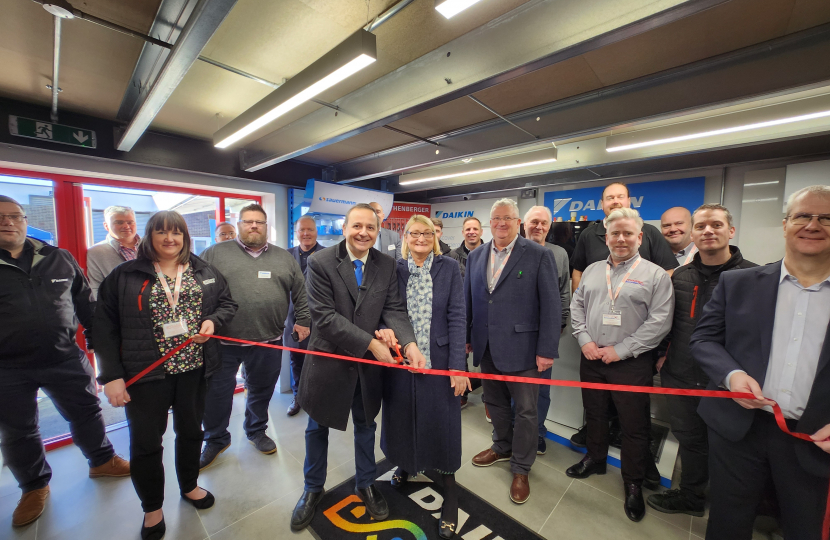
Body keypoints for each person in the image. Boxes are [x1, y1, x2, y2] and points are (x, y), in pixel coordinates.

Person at [691, 185, 830, 540]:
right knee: (727, 522)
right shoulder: (738, 283)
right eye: (802, 216)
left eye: (826, 217)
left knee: (805, 527)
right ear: (785, 224)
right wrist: (732, 375)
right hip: (738, 428)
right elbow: (704, 338)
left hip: (813, 436)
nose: (813, 225)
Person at [95, 211, 237, 540]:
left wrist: (213, 321)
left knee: (191, 432)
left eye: (176, 232)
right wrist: (111, 376)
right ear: (150, 236)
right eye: (161, 232)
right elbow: (103, 329)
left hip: (194, 370)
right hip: (145, 374)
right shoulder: (125, 275)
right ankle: (152, 507)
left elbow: (228, 304)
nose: (169, 239)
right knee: (146, 443)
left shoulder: (203, 270)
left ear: (185, 236)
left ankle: (189, 485)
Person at [290, 203, 426, 532]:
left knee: (366, 427)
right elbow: (324, 318)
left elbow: (394, 309)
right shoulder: (320, 262)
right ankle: (312, 489)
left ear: (378, 231)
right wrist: (372, 344)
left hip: (367, 371)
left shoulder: (386, 264)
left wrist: (408, 343)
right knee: (316, 428)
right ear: (344, 228)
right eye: (357, 226)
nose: (363, 233)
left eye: (370, 227)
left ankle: (365, 484)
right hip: (328, 362)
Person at [0, 196, 130, 529]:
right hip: (8, 366)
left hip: (64, 356)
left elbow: (87, 305)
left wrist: (102, 350)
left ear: (25, 220)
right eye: (1, 218)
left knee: (87, 410)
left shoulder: (57, 257)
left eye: (15, 216)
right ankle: (34, 486)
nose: (8, 222)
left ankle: (101, 459)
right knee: (19, 430)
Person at [648, 204, 757, 518]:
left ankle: (733, 506)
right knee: (690, 439)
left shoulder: (753, 277)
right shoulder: (680, 276)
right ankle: (692, 496)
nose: (708, 231)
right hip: (681, 374)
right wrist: (663, 356)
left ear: (730, 231)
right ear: (694, 234)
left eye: (716, 225)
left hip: (727, 382)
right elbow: (669, 323)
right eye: (702, 226)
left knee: (730, 445)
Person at [566, 207, 674, 522]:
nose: (621, 239)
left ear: (640, 237)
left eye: (628, 233)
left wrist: (622, 350)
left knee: (634, 427)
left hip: (631, 363)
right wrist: (585, 340)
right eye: (615, 233)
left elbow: (660, 323)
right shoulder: (592, 271)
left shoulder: (654, 275)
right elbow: (577, 307)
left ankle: (632, 482)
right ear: (607, 237)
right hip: (592, 357)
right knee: (595, 415)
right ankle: (596, 459)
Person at [376, 215, 469, 539]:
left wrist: (458, 367)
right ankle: (405, 463)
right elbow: (386, 309)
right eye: (414, 233)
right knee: (402, 418)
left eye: (426, 233)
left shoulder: (449, 268)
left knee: (441, 423)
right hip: (402, 360)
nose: (420, 238)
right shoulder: (394, 269)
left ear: (435, 236)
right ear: (405, 237)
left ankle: (449, 486)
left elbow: (458, 316)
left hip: (439, 361)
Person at [199, 204, 310, 465]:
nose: (253, 226)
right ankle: (215, 438)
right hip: (223, 341)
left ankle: (256, 430)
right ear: (239, 225)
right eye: (248, 222)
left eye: (259, 222)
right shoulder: (214, 253)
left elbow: (300, 291)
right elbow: (196, 288)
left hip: (269, 339)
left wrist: (303, 319)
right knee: (217, 392)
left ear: (266, 226)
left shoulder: (284, 257)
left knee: (261, 390)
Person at [467, 198, 560, 504]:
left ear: (518, 222)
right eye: (496, 219)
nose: (502, 223)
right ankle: (502, 446)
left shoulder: (538, 255)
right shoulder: (476, 256)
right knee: (494, 403)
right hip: (487, 347)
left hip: (524, 350)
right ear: (489, 223)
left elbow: (551, 305)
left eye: (508, 218)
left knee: (526, 411)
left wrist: (547, 349)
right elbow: (472, 301)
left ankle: (521, 467)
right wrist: (469, 336)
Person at [523, 205, 571, 455]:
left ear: (549, 227)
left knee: (542, 389)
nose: (538, 227)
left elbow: (564, 292)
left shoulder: (559, 254)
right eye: (533, 222)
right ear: (524, 224)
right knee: (515, 387)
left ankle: (538, 432)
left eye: (543, 223)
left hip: (545, 334)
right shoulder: (513, 250)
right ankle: (512, 432)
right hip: (516, 335)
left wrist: (560, 323)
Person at [285, 215, 325, 416]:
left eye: (310, 229)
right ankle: (298, 397)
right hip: (293, 320)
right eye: (302, 230)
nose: (306, 233)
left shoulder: (328, 255)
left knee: (319, 360)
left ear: (316, 231)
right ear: (296, 232)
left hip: (320, 320)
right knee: (297, 360)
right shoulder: (285, 255)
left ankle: (317, 398)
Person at [86, 205, 140, 299]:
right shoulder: (96, 252)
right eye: (119, 222)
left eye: (130, 222)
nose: (126, 226)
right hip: (119, 309)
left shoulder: (152, 246)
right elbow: (96, 288)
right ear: (106, 226)